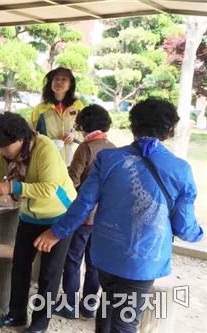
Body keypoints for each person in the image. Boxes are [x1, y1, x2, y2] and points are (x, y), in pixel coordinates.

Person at [34, 98, 204, 333]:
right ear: (169, 131)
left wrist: (56, 232)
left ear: (133, 127)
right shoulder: (180, 170)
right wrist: (199, 234)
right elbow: (185, 228)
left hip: (106, 254)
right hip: (144, 260)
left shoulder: (109, 159)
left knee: (109, 304)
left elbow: (83, 203)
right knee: (125, 323)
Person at [0, 112, 76, 333]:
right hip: (29, 217)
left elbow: (48, 188)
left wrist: (13, 187)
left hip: (59, 216)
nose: (2, 152)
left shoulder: (44, 148)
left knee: (49, 275)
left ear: (21, 139)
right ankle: (17, 315)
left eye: (5, 147)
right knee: (20, 267)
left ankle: (40, 324)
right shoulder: (5, 153)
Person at [53, 104, 116, 320]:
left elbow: (73, 182)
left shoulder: (86, 148)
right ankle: (89, 306)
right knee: (94, 262)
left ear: (85, 126)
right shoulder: (114, 147)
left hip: (84, 217)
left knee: (72, 259)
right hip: (104, 218)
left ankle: (69, 304)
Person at [30, 67, 84, 165]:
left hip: (72, 160)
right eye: (56, 79)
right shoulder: (40, 109)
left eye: (64, 79)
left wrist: (74, 136)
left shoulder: (77, 106)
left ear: (70, 84)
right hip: (48, 160)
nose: (59, 82)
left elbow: (86, 131)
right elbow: (30, 134)